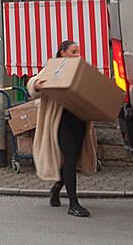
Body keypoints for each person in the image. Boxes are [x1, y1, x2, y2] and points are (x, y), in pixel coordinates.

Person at [28, 40, 99, 218]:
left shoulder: (81, 69)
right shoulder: (55, 68)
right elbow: (34, 83)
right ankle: (73, 204)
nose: (78, 55)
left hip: (80, 120)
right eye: (74, 51)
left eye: (78, 51)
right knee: (69, 159)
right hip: (61, 121)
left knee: (73, 159)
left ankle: (56, 188)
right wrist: (37, 85)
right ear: (63, 52)